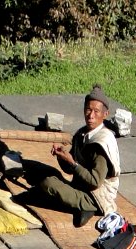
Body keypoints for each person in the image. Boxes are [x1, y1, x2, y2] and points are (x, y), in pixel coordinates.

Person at [38, 84, 121, 227]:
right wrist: (61, 155)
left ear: (105, 114)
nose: (91, 115)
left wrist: (73, 163)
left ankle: (89, 208)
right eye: (88, 110)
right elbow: (69, 169)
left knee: (48, 184)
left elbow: (95, 182)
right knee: (39, 170)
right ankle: (78, 204)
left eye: (96, 111)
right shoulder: (82, 134)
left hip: (97, 195)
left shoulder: (102, 143)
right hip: (80, 186)